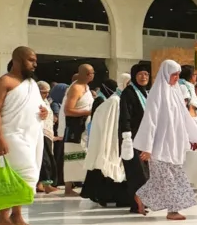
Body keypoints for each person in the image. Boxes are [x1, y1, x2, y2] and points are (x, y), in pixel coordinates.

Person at [133, 60, 197, 220]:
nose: (176, 77)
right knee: (169, 180)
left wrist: (190, 138)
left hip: (174, 144)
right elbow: (150, 120)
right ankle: (172, 211)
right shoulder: (157, 93)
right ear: (165, 74)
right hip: (159, 145)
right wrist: (147, 147)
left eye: (177, 74)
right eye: (173, 74)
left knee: (168, 178)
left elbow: (184, 119)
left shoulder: (175, 92)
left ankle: (140, 197)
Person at [0, 46, 47, 225]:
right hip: (11, 135)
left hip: (31, 136)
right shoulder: (4, 81)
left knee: (15, 175)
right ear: (17, 60)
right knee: (26, 174)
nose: (34, 64)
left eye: (35, 61)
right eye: (31, 60)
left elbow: (36, 106)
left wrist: (43, 112)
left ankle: (2, 217)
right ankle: (16, 215)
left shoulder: (31, 85)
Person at [81, 79, 130, 207]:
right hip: (112, 138)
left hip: (120, 138)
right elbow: (110, 124)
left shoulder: (121, 99)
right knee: (108, 166)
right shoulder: (114, 101)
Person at [59, 64, 95, 196]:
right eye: (90, 73)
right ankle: (68, 188)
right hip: (76, 129)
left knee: (83, 157)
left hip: (86, 128)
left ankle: (83, 185)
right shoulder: (76, 88)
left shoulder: (86, 88)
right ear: (85, 74)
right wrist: (88, 111)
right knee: (72, 158)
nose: (92, 75)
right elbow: (68, 110)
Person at [119, 63, 150, 214]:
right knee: (137, 171)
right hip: (131, 138)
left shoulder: (145, 93)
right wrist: (126, 137)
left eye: (146, 74)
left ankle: (139, 202)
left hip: (144, 138)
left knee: (144, 171)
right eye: (140, 74)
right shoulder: (128, 93)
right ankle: (138, 202)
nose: (143, 77)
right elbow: (125, 116)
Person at [36, 81, 58, 194]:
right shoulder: (35, 101)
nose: (46, 95)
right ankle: (46, 185)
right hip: (40, 133)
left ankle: (41, 184)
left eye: (47, 93)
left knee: (46, 158)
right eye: (44, 92)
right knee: (45, 160)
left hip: (47, 133)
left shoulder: (45, 101)